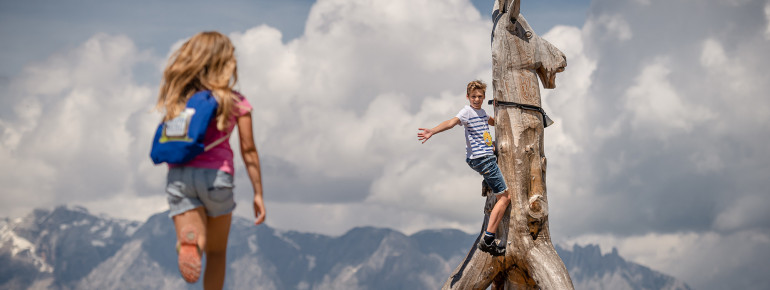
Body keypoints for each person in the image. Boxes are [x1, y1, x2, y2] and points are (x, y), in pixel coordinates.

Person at [155, 31, 266, 288]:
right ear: (226, 63)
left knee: (196, 238)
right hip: (217, 177)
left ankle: (190, 241)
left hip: (180, 176)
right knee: (217, 253)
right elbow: (248, 150)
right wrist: (258, 192)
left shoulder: (179, 100)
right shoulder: (236, 101)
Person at [417, 80, 509, 256]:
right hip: (483, 159)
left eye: (480, 96)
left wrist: (501, 107)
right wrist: (432, 131)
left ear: (483, 97)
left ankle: (490, 234)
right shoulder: (467, 112)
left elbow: (493, 122)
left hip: (485, 157)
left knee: (499, 149)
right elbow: (451, 122)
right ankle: (488, 238)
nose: (476, 99)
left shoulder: (481, 112)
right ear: (468, 97)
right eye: (473, 96)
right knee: (505, 197)